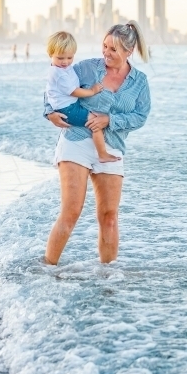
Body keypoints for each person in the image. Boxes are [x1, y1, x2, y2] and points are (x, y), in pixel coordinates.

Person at [43, 22, 151, 265]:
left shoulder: (139, 82)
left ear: (129, 51)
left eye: (113, 49)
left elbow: (140, 117)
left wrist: (110, 120)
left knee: (109, 217)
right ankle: (46, 270)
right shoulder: (86, 69)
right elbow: (54, 85)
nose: (106, 53)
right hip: (76, 141)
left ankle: (108, 278)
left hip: (111, 148)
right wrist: (48, 111)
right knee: (71, 212)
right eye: (104, 46)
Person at [45, 32, 116, 163]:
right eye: (60, 58)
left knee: (95, 116)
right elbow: (74, 92)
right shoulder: (58, 74)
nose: (65, 62)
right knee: (96, 123)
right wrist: (92, 91)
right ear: (50, 54)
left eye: (69, 57)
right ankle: (102, 154)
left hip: (70, 105)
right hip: (68, 109)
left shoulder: (61, 68)